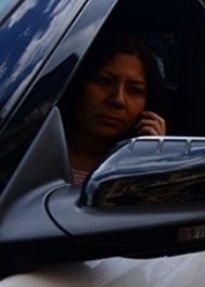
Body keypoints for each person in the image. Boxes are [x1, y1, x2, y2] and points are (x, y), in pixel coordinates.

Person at [60, 32, 167, 185]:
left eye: (134, 90)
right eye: (104, 82)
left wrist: (153, 158)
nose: (118, 100)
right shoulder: (31, 150)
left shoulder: (139, 166)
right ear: (78, 84)